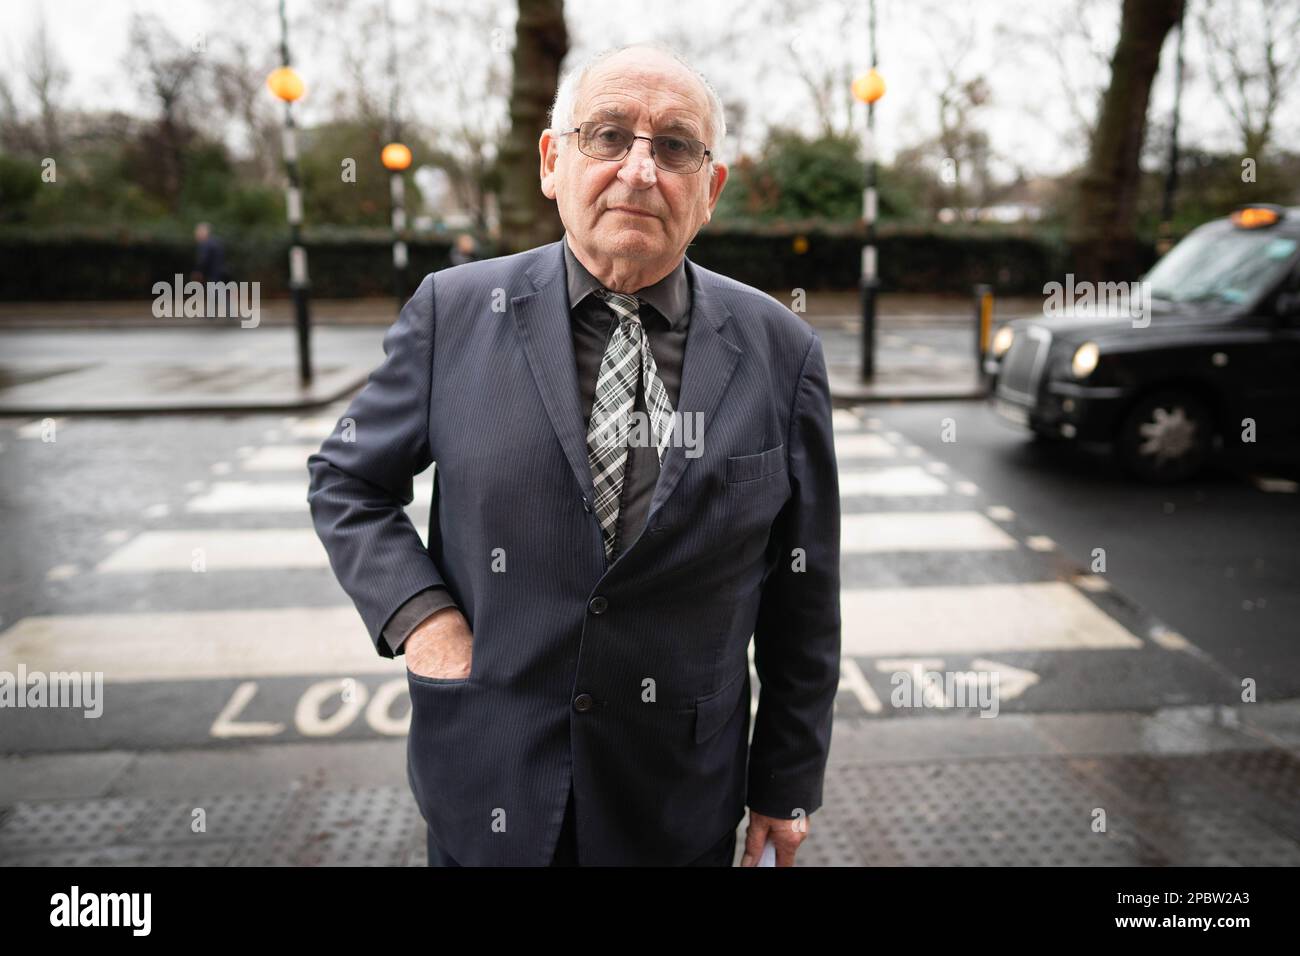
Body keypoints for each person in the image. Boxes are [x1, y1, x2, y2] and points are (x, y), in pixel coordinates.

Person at [306, 41, 841, 867]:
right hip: (490, 781)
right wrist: (424, 620)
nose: (638, 170)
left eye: (674, 146)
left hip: (676, 801)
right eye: (607, 136)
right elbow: (346, 477)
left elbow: (804, 600)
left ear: (711, 188)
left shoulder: (782, 350)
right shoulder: (454, 312)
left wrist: (787, 781)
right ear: (554, 162)